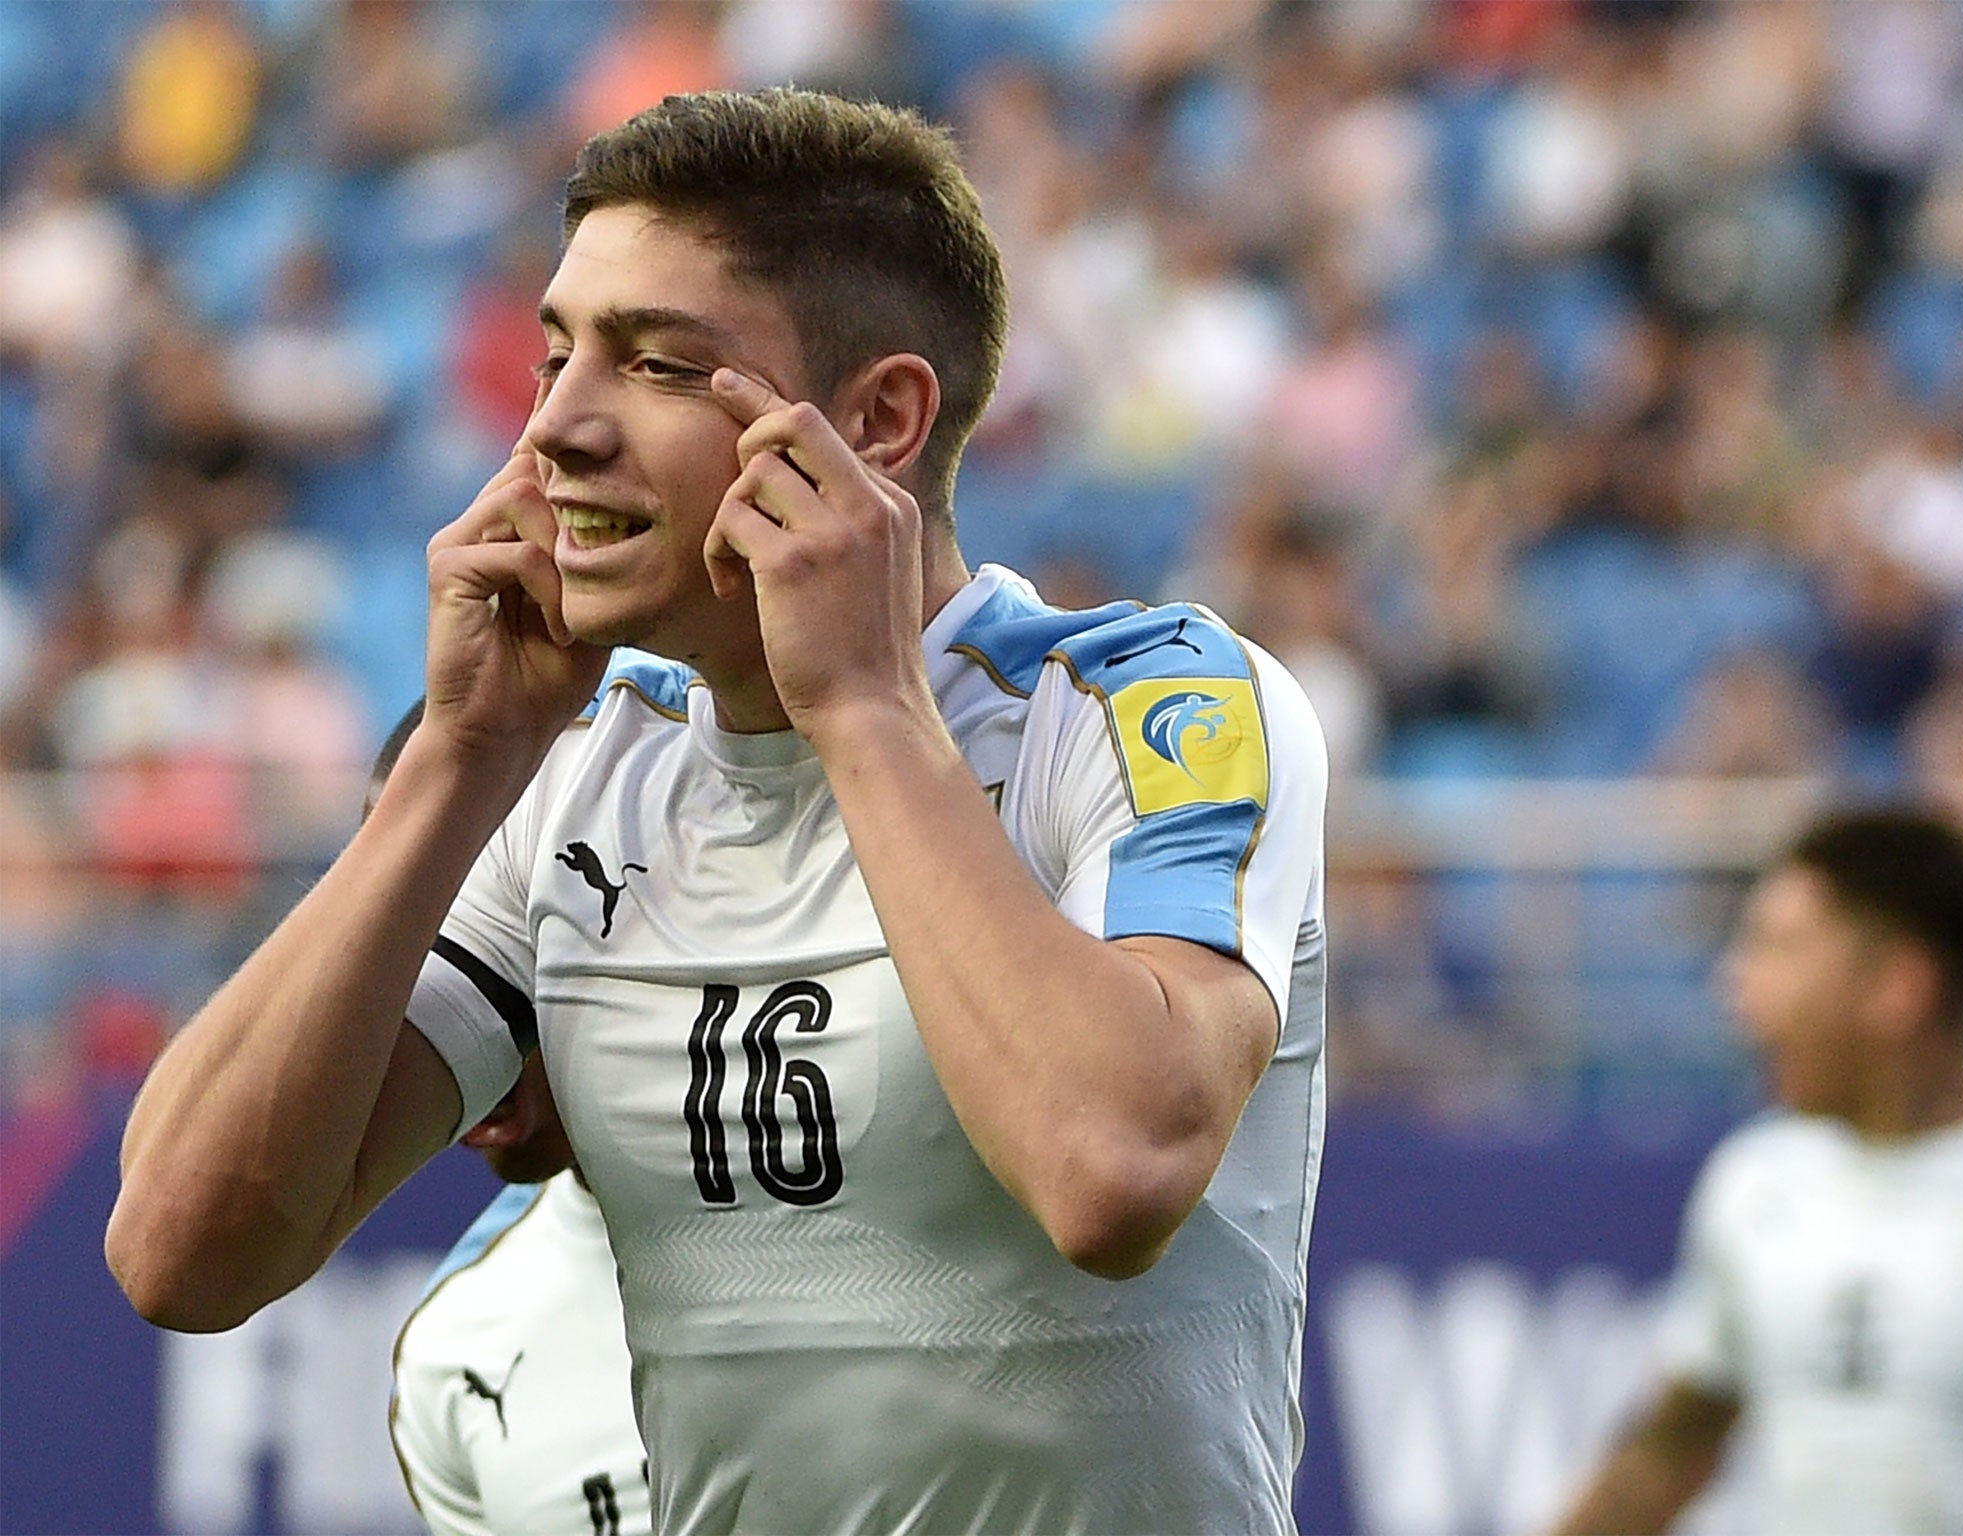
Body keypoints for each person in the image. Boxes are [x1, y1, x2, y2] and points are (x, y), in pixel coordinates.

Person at [106, 88, 1329, 1536]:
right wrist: (456, 759)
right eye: (558, 355)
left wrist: (862, 708)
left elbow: (1115, 1169)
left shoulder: (1149, 701)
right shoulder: (572, 779)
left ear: (877, 421)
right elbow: (187, 1254)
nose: (556, 429)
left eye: (660, 365)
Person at [1552, 806, 1963, 1535]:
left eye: (1778, 948)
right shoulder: (1756, 1180)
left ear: (1897, 988)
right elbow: (1667, 1456)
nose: (1736, 989)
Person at [365, 702, 652, 1536]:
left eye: (487, 921)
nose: (433, 996)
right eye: (400, 936)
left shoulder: (920, 1203)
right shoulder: (452, 1354)